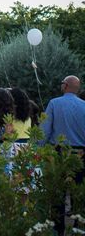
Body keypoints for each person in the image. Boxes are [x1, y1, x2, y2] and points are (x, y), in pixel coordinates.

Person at [42, 75, 85, 236]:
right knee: (77, 192)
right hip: (81, 154)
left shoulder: (54, 103)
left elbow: (45, 130)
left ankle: (57, 230)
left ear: (65, 85)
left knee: (58, 192)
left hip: (59, 152)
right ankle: (76, 228)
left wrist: (37, 149)